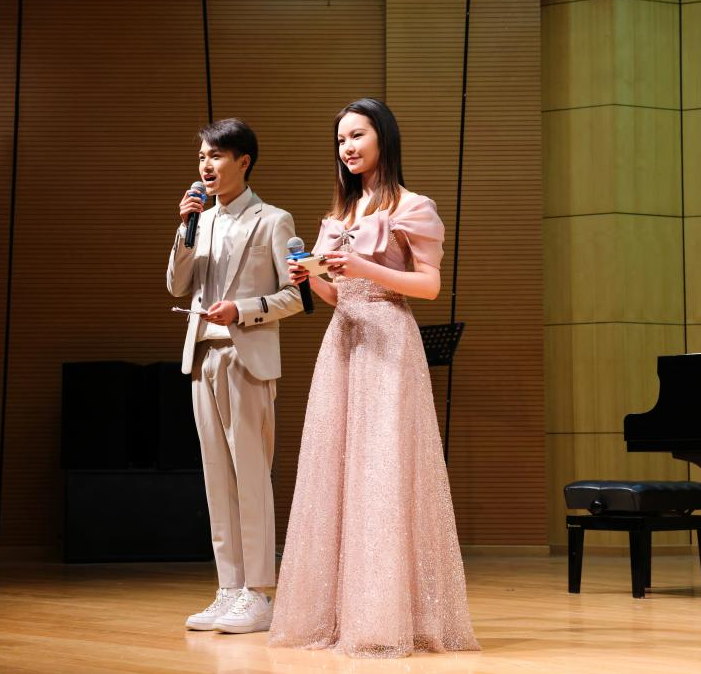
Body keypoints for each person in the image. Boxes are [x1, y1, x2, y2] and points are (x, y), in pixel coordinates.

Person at [268, 98, 479, 657]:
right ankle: (338, 616)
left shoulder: (413, 206)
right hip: (343, 340)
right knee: (337, 472)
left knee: (383, 472)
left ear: (384, 137)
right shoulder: (339, 214)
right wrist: (311, 278)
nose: (348, 148)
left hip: (388, 338)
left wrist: (364, 268)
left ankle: (385, 620)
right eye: (341, 140)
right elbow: (338, 294)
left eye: (357, 135)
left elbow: (429, 286)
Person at [167, 118, 303, 634]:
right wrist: (184, 230)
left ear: (243, 161)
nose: (206, 165)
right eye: (202, 156)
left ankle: (260, 593)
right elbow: (177, 285)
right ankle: (229, 588)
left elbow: (295, 296)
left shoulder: (274, 220)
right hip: (202, 356)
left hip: (246, 358)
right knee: (216, 478)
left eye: (216, 156)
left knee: (250, 475)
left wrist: (243, 310)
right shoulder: (198, 220)